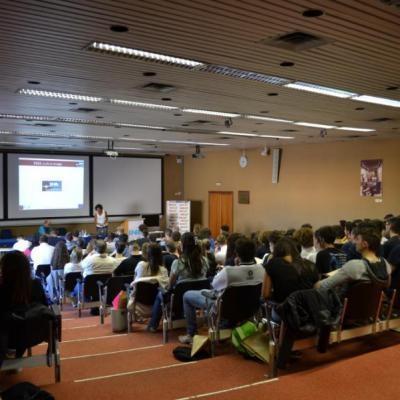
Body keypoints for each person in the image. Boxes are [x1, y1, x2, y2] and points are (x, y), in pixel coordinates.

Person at [179, 237, 265, 344]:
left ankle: (191, 334)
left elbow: (214, 285)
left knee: (187, 295)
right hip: (249, 310)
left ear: (236, 254)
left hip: (225, 310)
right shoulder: (262, 270)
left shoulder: (229, 271)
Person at [147, 232, 208, 332]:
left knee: (160, 294)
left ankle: (153, 325)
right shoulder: (204, 260)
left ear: (182, 246)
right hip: (200, 297)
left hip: (178, 299)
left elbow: (170, 285)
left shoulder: (178, 263)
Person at [315, 224, 391, 297]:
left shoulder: (355, 266)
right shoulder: (386, 264)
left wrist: (314, 285)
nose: (353, 242)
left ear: (365, 244)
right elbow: (387, 286)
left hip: (346, 309)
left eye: (357, 239)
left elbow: (323, 286)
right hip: (374, 309)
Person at [0, 251, 47, 366]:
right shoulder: (36, 285)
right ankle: (18, 356)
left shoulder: (2, 287)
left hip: (5, 336)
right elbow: (43, 308)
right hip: (33, 334)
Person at [263, 237, 319, 310]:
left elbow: (265, 294)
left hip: (285, 313)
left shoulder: (273, 263)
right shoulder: (310, 265)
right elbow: (316, 291)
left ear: (276, 251)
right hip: (309, 312)